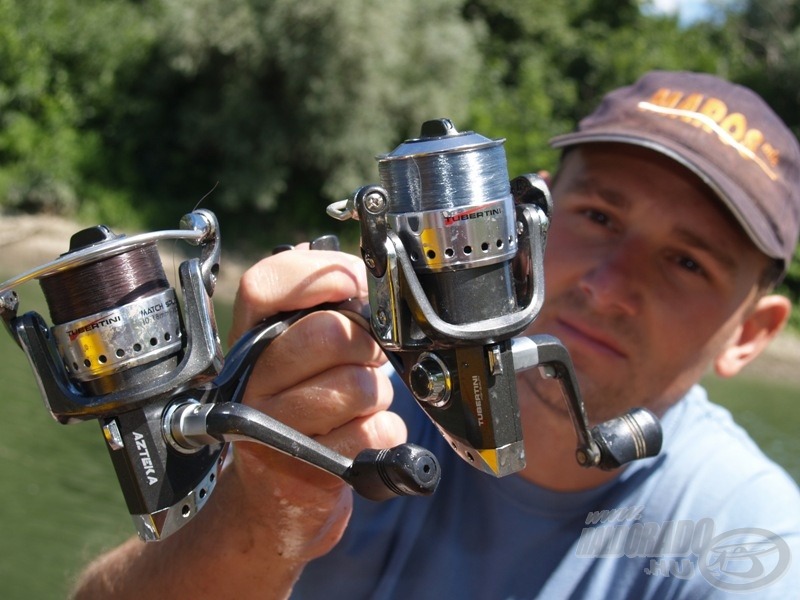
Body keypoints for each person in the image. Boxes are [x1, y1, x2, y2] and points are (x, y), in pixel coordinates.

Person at [72, 71, 800, 598]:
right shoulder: (342, 387)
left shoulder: (761, 539)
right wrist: (259, 511)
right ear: (519, 216)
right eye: (600, 218)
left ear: (752, 333)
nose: (608, 288)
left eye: (685, 262)